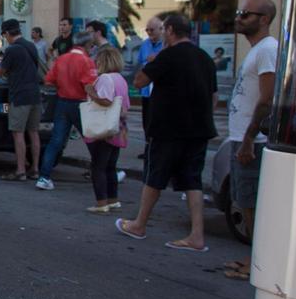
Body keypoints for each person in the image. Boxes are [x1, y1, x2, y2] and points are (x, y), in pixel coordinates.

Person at [115, 14, 219, 252]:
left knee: (155, 176)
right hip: (199, 129)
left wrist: (152, 60)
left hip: (168, 128)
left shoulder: (167, 55)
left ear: (170, 31)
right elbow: (214, 96)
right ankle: (196, 235)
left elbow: (140, 81)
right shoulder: (204, 57)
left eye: (163, 31)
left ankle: (139, 224)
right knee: (193, 180)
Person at [223, 0, 278, 280]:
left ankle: (259, 266)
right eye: (239, 12)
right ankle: (254, 257)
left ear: (264, 19)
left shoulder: (267, 49)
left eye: (246, 14)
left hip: (252, 142)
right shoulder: (258, 50)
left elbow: (267, 98)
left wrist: (248, 138)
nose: (239, 18)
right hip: (243, 137)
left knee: (252, 203)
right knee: (245, 201)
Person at [35, 30, 97, 191]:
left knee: (56, 141)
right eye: (91, 45)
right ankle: (104, 171)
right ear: (87, 45)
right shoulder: (86, 61)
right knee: (92, 139)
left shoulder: (62, 59)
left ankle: (44, 176)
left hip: (62, 102)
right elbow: (89, 85)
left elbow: (48, 81)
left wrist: (62, 86)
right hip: (80, 103)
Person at [0, 19, 41, 181]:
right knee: (34, 133)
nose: (5, 38)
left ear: (7, 33)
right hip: (35, 94)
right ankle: (35, 169)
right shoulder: (31, 46)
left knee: (18, 133)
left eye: (4, 35)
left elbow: (1, 72)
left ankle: (20, 170)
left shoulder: (12, 50)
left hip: (19, 95)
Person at [84, 47, 130, 213]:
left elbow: (105, 100)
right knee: (111, 165)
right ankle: (113, 199)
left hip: (104, 127)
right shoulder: (121, 79)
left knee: (98, 166)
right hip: (118, 126)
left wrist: (90, 91)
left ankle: (101, 203)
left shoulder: (105, 78)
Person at [136, 16, 164, 159]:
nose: (149, 33)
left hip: (160, 91)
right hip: (147, 91)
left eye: (152, 30)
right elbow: (141, 63)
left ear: (161, 29)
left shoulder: (167, 45)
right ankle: (148, 148)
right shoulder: (145, 44)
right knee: (146, 121)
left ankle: (157, 150)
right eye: (147, 30)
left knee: (158, 121)